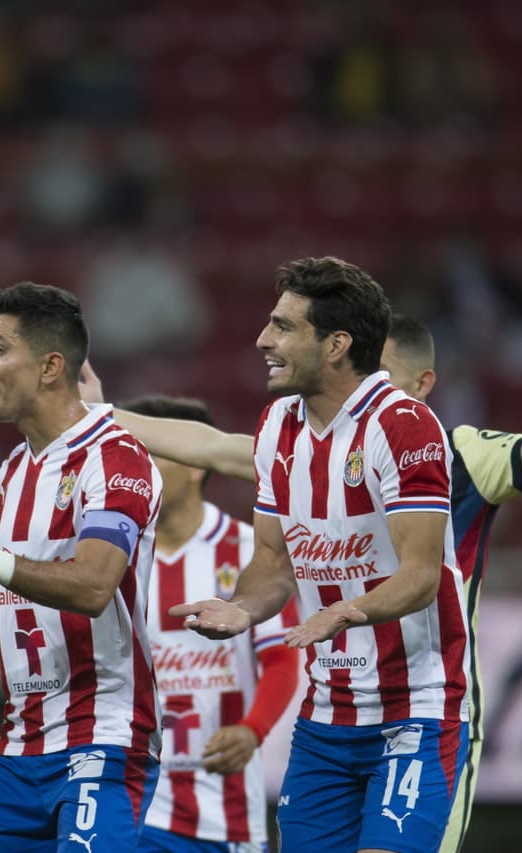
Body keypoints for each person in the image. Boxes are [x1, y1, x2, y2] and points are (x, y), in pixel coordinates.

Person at [85, 315, 522, 853]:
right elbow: (213, 446)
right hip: (334, 712)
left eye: (384, 378)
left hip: (426, 711)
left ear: (423, 384)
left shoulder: (460, 454)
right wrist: (95, 413)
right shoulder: (304, 448)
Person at [169, 256, 470, 853]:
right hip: (326, 716)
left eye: (283, 326)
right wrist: (242, 608)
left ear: (336, 345)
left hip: (414, 710)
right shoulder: (278, 425)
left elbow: (420, 575)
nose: (263, 340)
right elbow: (273, 563)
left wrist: (348, 611)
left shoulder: (405, 426)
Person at [0, 282, 163, 851]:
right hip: (20, 745)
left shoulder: (116, 458)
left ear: (50, 367)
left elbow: (94, 586)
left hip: (103, 736)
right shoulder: (14, 468)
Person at [122, 395, 300, 853]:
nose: (139, 468)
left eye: (154, 452)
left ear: (194, 462)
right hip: (133, 801)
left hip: (222, 813)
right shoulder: (115, 557)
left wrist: (252, 729)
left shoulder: (246, 550)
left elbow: (281, 660)